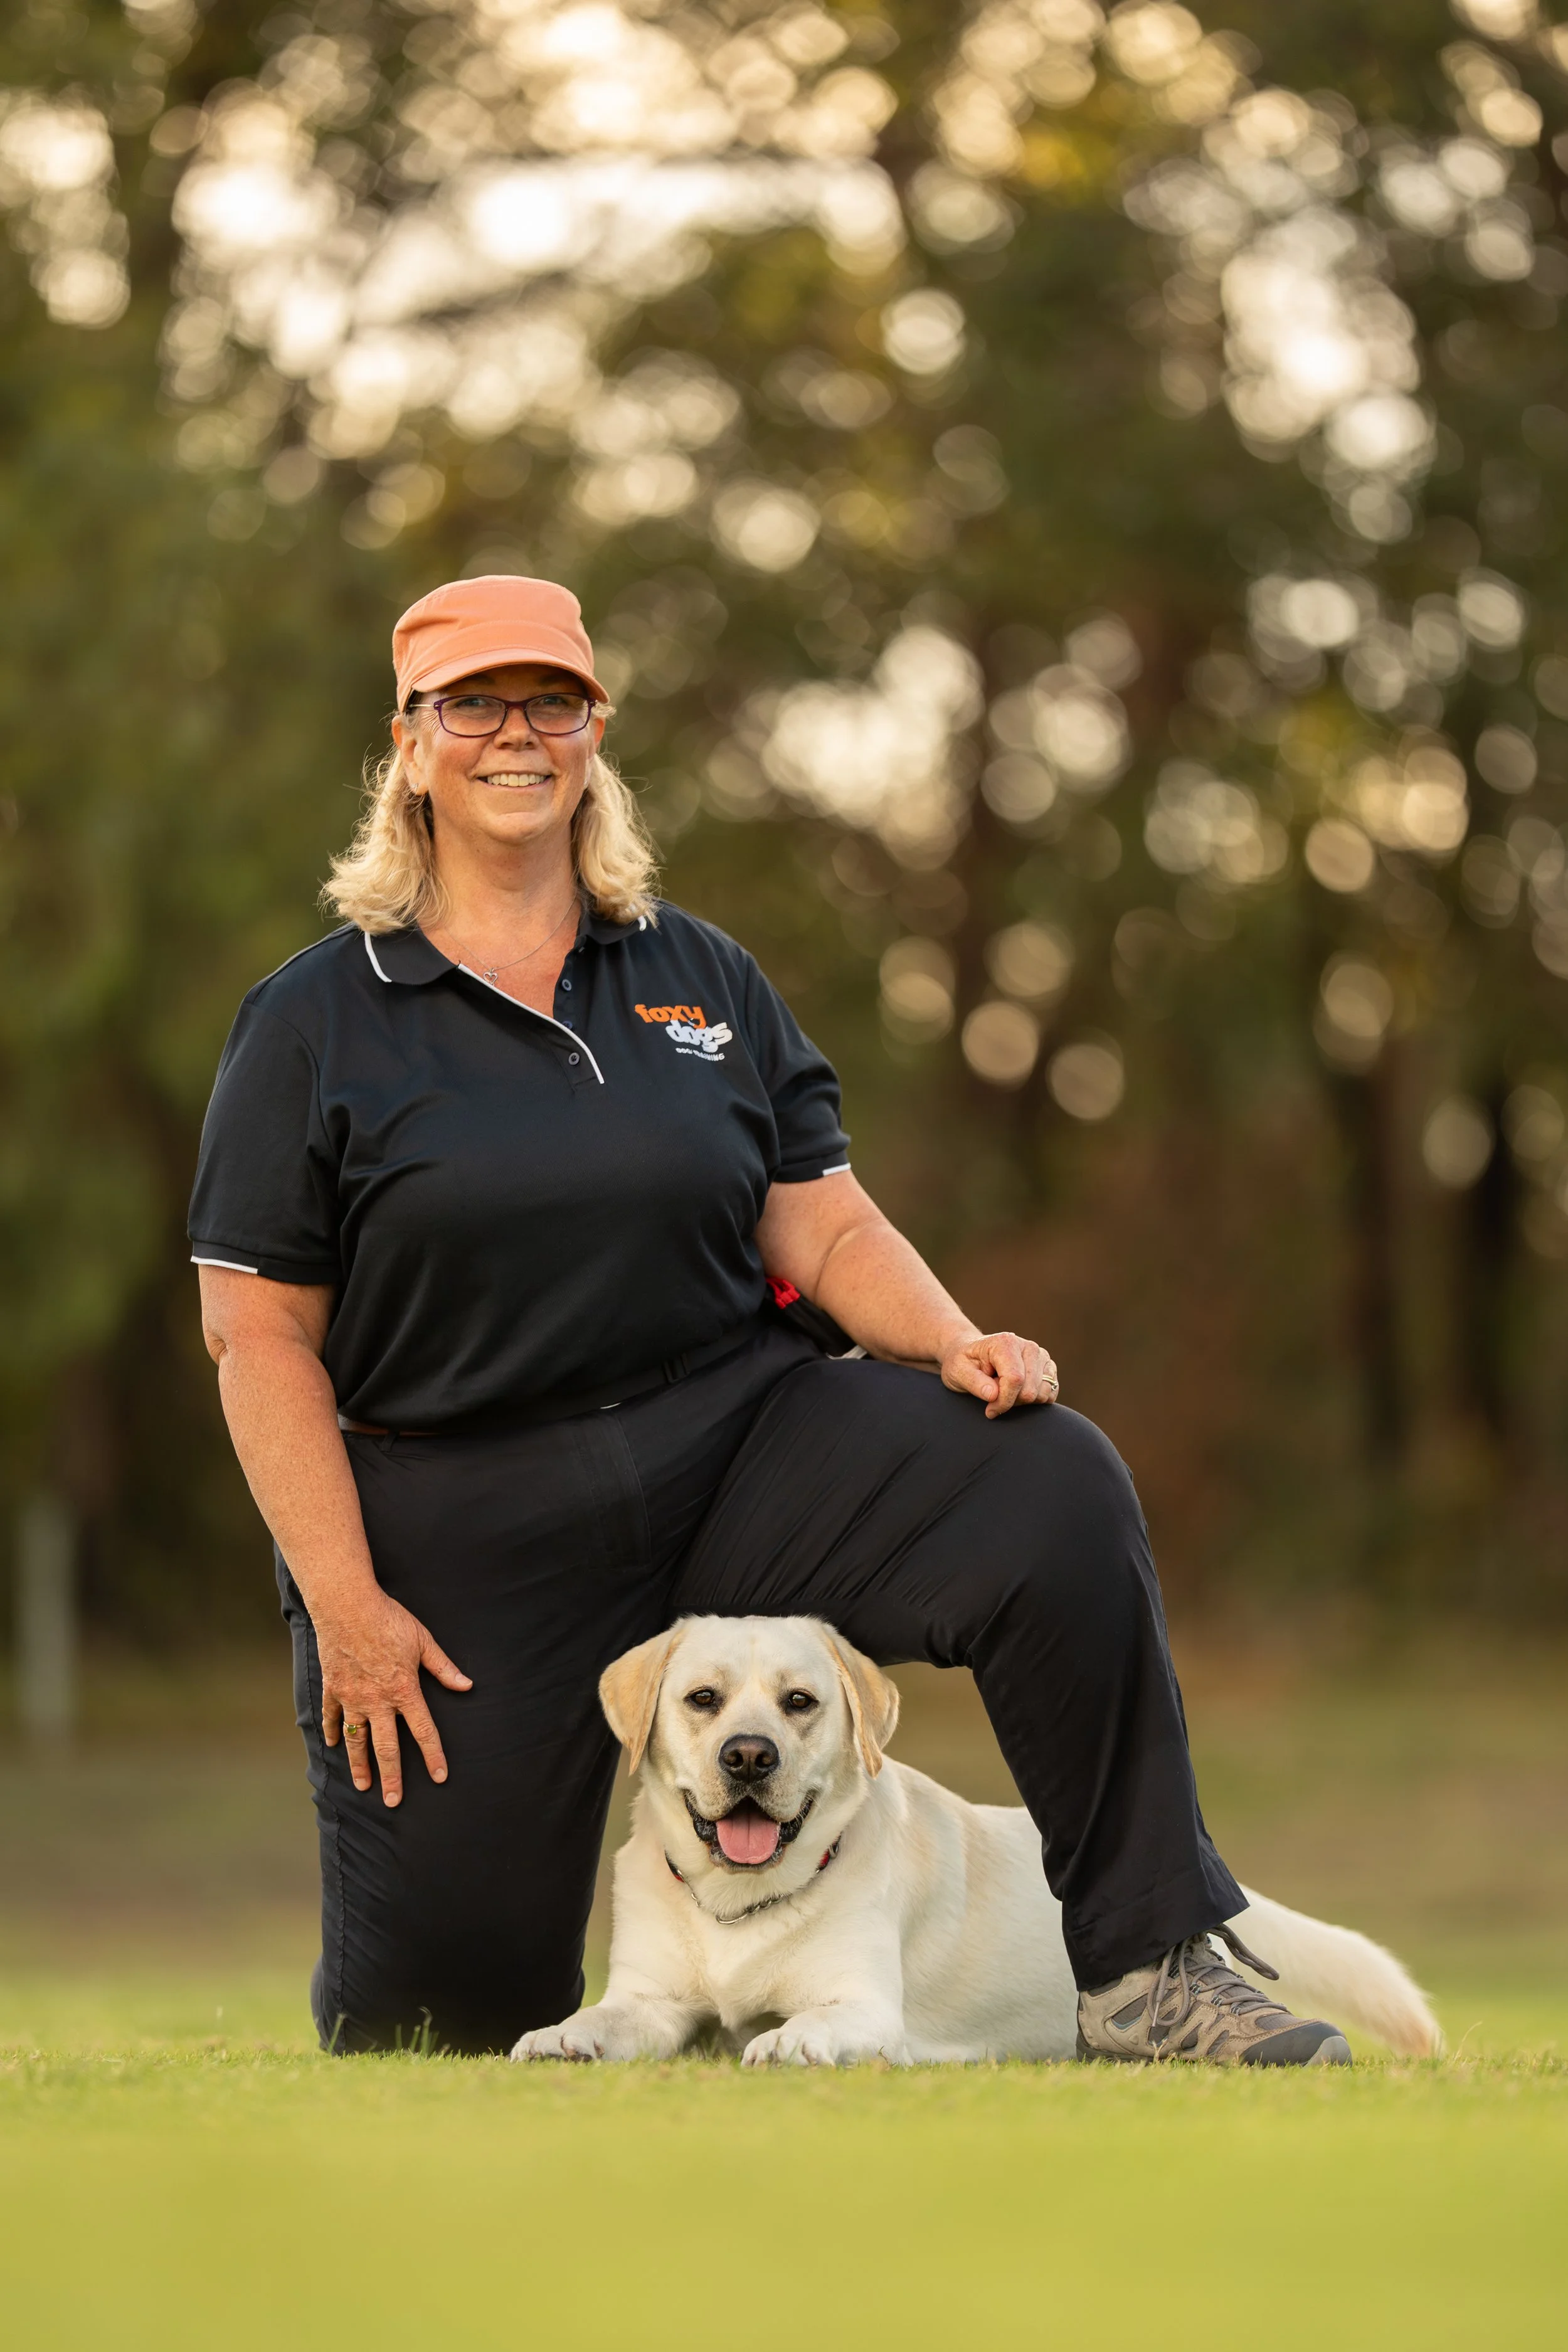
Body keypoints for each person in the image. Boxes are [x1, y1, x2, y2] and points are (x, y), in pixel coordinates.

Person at [190, 574, 1349, 2066]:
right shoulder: (314, 1017)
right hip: (464, 1514)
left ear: (594, 732)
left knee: (1042, 1476)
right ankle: (626, 1992)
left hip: (737, 1439)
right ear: (409, 744)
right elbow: (260, 1339)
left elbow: (820, 1216)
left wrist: (948, 1344)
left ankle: (1139, 1969)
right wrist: (346, 1611)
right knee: (438, 2021)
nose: (515, 734)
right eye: (471, 704)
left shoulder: (696, 973)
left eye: (552, 702)